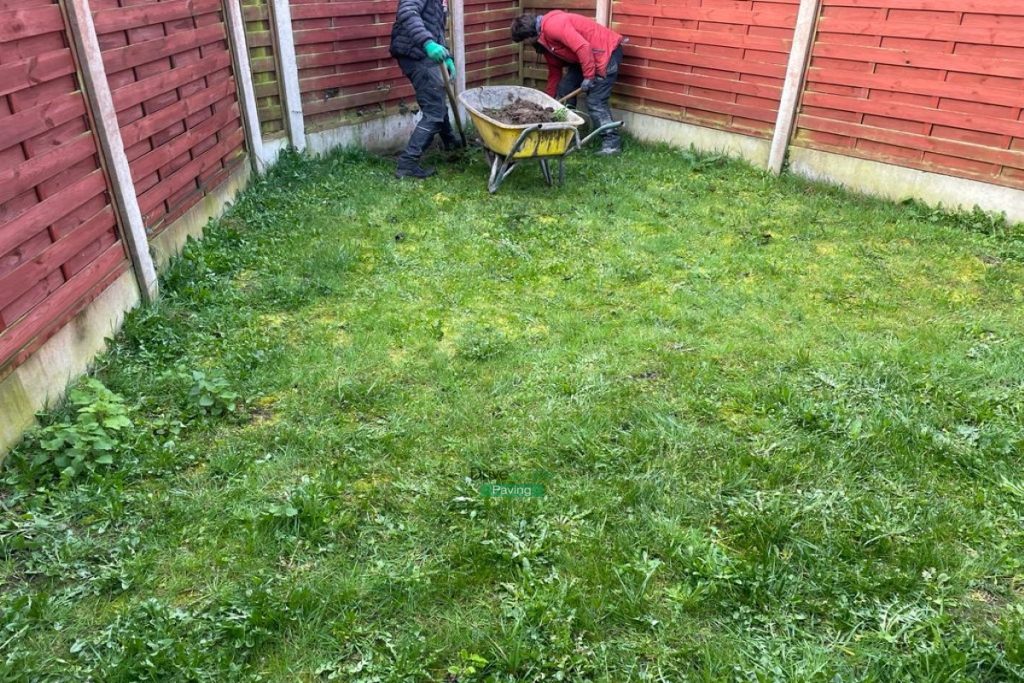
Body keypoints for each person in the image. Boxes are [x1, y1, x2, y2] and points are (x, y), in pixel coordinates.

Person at [510, 12, 624, 155]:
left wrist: (589, 76)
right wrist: (548, 101)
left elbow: (583, 46)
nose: (526, 44)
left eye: (524, 41)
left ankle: (612, 144)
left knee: (596, 101)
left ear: (529, 35)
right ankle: (567, 133)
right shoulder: (543, 40)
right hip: (584, 58)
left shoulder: (553, 26)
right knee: (565, 88)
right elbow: (554, 72)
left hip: (604, 53)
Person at [390, 0, 462, 179]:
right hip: (415, 54)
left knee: (437, 97)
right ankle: (407, 163)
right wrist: (428, 44)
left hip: (420, 52)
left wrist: (447, 55)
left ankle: (450, 142)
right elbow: (407, 12)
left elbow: (435, 28)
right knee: (434, 110)